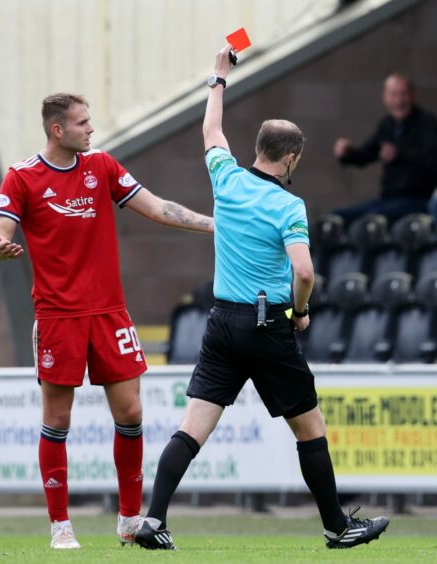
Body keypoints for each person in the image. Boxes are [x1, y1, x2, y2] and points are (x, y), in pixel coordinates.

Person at [135, 45, 389, 551]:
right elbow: (304, 270)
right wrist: (301, 310)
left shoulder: (224, 177)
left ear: (256, 148)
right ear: (291, 158)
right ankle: (337, 527)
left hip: (221, 323)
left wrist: (219, 77)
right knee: (310, 426)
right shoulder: (288, 205)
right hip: (266, 324)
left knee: (193, 427)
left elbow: (211, 131)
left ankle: (153, 520)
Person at [0, 93, 213, 550]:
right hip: (58, 316)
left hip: (110, 313)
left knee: (130, 413)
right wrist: (0, 249)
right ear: (58, 130)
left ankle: (129, 520)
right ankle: (60, 526)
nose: (91, 129)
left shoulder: (103, 167)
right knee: (58, 419)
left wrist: (213, 225)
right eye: (83, 123)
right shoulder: (22, 177)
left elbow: (155, 206)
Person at [333, 73, 437, 224]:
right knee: (337, 217)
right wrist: (347, 153)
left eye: (403, 94)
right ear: (385, 97)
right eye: (394, 94)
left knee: (372, 219)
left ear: (412, 95)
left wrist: (399, 155)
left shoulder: (426, 122)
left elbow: (432, 160)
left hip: (417, 200)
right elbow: (366, 155)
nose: (399, 100)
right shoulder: (387, 124)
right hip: (388, 199)